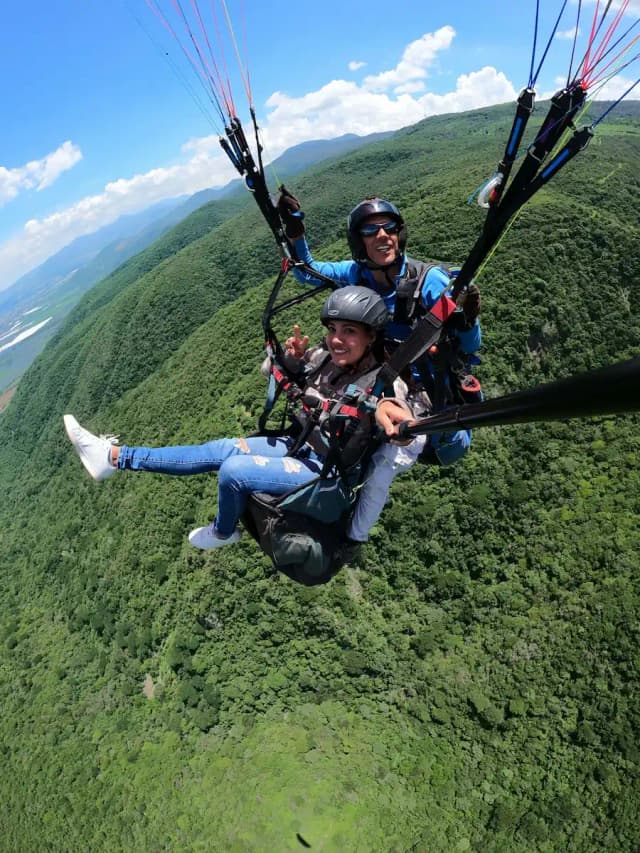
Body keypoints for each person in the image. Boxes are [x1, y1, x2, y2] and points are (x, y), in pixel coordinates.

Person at [64, 287, 416, 553]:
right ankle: (114, 458)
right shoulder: (324, 358)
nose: (337, 339)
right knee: (220, 449)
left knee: (233, 471)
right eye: (333, 328)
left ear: (372, 336)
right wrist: (291, 362)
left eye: (350, 331)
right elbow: (269, 372)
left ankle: (223, 531)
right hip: (299, 444)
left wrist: (393, 422)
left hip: (324, 470)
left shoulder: (387, 384)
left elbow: (399, 426)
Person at [277, 190, 482, 543]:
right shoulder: (357, 274)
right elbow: (307, 271)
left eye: (389, 228)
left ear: (399, 235)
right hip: (377, 380)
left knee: (392, 456)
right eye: (371, 231)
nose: (382, 236)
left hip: (422, 391)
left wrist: (466, 321)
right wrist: (295, 233)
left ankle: (352, 534)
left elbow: (470, 349)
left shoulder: (427, 281)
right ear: (360, 242)